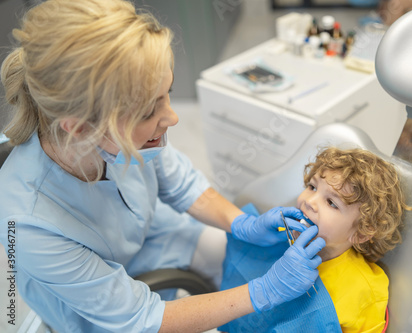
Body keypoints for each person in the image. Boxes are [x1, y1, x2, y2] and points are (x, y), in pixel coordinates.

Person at [0, 1, 325, 332]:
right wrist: (263, 292)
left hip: (154, 235)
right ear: (80, 128)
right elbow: (141, 317)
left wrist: (240, 223)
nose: (172, 117)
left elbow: (181, 184)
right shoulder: (27, 223)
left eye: (167, 94)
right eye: (147, 112)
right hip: (94, 303)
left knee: (244, 257)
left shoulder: (120, 136)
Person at [220, 146, 412, 332]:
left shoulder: (363, 293)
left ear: (361, 233)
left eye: (331, 203)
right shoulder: (276, 235)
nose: (309, 201)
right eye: (312, 187)